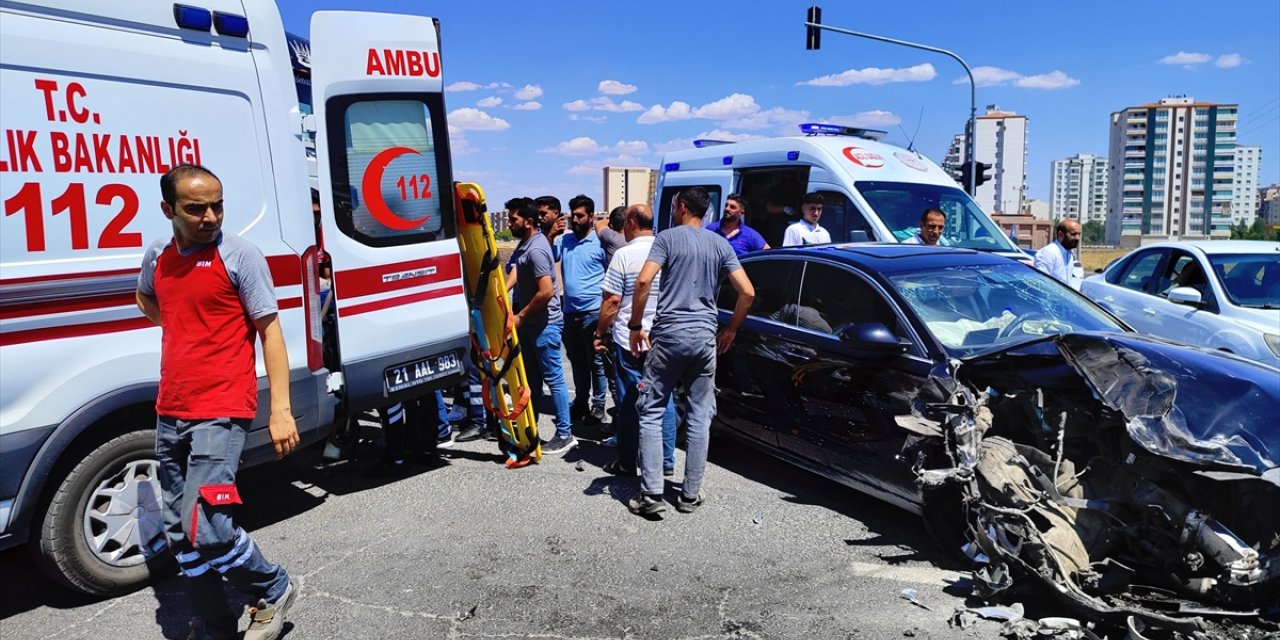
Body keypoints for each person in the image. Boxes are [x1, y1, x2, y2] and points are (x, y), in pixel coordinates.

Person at [136, 164, 298, 640]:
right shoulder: (158, 256)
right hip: (172, 408)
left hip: (222, 409)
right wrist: (187, 326)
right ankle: (216, 623)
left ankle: (272, 587)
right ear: (168, 209)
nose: (210, 217)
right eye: (195, 208)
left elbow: (270, 331)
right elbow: (147, 299)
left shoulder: (240, 256)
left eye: (217, 205)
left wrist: (281, 409)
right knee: (177, 532)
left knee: (208, 526)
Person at [626, 187, 755, 517]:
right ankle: (689, 495)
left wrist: (635, 325)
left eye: (673, 205)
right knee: (700, 415)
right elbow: (748, 293)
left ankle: (652, 493)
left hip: (669, 334)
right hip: (703, 338)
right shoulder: (720, 244)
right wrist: (731, 329)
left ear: (681, 206)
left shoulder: (667, 238)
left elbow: (643, 282)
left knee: (652, 409)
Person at [594, 204, 678, 478]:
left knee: (631, 398)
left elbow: (612, 301)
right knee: (662, 397)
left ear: (630, 222)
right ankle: (665, 460)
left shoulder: (624, 254)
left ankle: (628, 461)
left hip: (629, 338)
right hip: (662, 336)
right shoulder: (667, 251)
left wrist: (599, 333)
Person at [507, 200, 576, 454]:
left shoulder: (537, 248)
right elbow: (516, 267)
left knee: (554, 379)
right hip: (531, 324)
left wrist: (521, 316)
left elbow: (547, 291)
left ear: (528, 221)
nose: (509, 224)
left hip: (544, 324)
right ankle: (530, 428)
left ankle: (565, 433)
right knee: (532, 380)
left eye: (513, 219)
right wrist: (503, 292)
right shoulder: (527, 244)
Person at [560, 194, 610, 425]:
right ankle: (580, 401)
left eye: (580, 216)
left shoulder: (600, 242)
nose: (575, 220)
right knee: (577, 361)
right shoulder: (565, 241)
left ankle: (598, 405)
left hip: (593, 312)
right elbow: (548, 254)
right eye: (573, 216)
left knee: (596, 362)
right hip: (570, 312)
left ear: (591, 216)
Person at [1034, 219, 1083, 289]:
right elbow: (1040, 284)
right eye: (1073, 234)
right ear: (1061, 235)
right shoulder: (1049, 253)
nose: (1077, 238)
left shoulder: (1069, 253)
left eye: (1079, 234)